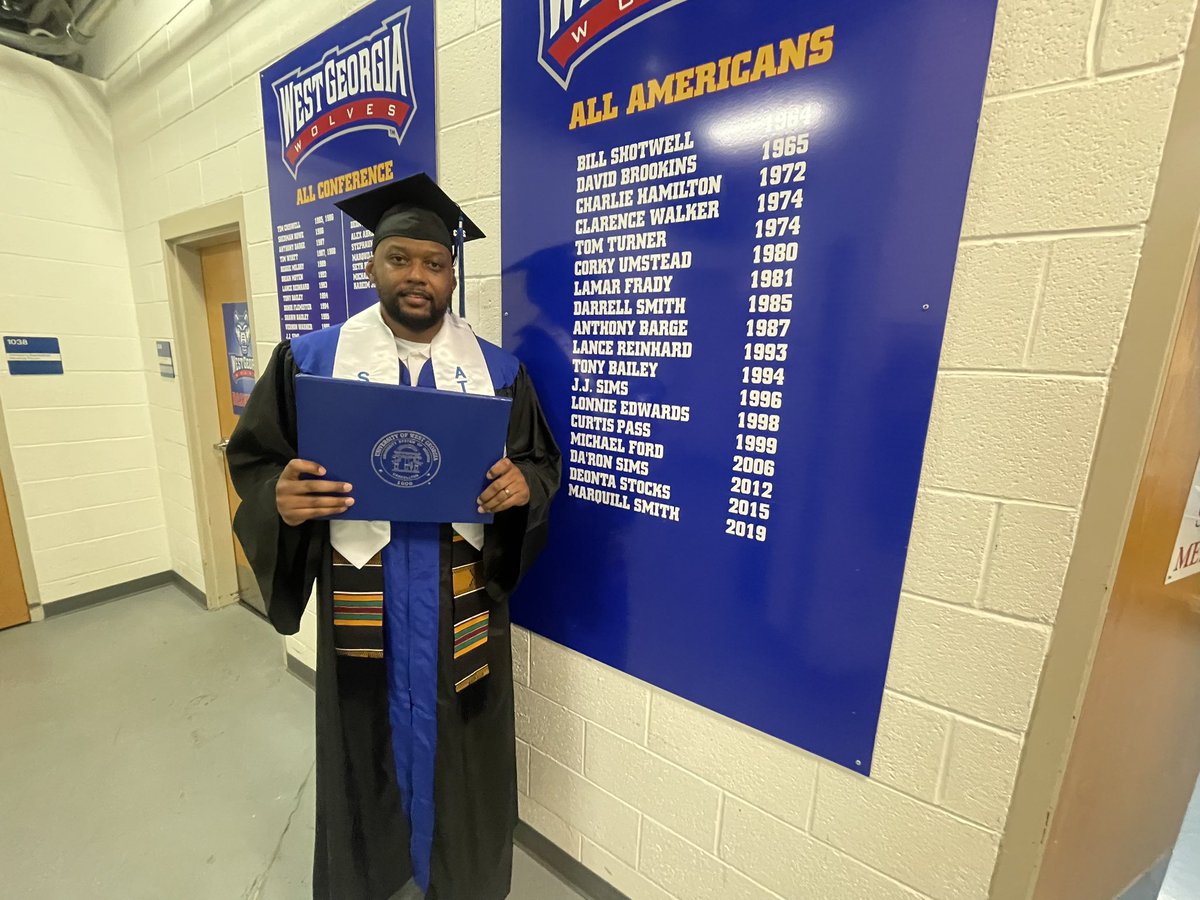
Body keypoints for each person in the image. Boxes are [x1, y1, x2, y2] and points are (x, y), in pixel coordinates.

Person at [227, 173, 561, 900]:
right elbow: (255, 460)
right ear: (372, 265)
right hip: (366, 595)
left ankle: (462, 876)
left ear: (451, 273)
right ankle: (369, 871)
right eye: (400, 259)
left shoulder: (499, 373)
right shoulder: (311, 361)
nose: (418, 276)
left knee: (464, 726)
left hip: (459, 599)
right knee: (362, 728)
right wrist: (276, 498)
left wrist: (524, 489)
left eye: (434, 263)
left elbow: (538, 464)